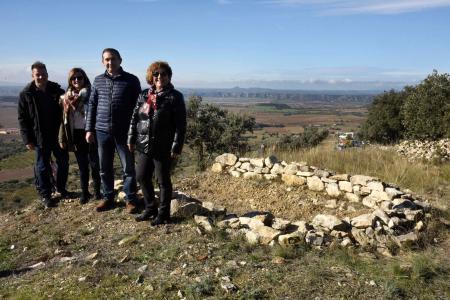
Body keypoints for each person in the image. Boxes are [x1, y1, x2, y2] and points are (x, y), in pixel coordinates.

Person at [128, 61, 186, 226]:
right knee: (142, 177)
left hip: (163, 146)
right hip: (143, 144)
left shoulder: (175, 96)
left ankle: (163, 214)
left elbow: (181, 126)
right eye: (156, 74)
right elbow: (134, 118)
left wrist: (176, 146)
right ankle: (150, 207)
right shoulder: (144, 94)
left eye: (163, 74)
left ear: (169, 76)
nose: (160, 77)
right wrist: (130, 138)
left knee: (162, 181)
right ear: (151, 77)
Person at [85, 48, 141, 213]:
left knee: (128, 167)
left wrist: (135, 131)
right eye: (107, 59)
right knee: (104, 167)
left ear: (120, 60)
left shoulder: (131, 80)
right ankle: (108, 197)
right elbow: (92, 106)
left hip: (124, 132)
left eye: (113, 59)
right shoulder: (98, 81)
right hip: (101, 131)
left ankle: (130, 199)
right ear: (103, 62)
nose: (110, 62)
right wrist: (89, 129)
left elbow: (137, 108)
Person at [18, 61, 71, 208]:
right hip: (39, 136)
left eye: (43, 74)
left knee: (63, 162)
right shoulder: (26, 94)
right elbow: (22, 118)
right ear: (32, 75)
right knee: (42, 167)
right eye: (37, 75)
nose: (41, 77)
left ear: (47, 74)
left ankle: (61, 189)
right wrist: (27, 139)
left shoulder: (56, 90)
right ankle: (45, 195)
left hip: (58, 135)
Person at [59, 68, 101, 204]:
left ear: (85, 78)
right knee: (82, 166)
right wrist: (62, 138)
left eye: (79, 77)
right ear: (70, 81)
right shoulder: (66, 98)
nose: (76, 80)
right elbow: (63, 121)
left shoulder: (93, 93)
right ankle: (84, 192)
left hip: (91, 132)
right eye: (73, 78)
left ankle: (98, 192)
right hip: (76, 134)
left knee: (95, 164)